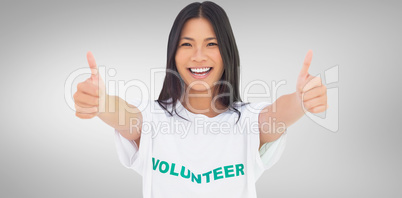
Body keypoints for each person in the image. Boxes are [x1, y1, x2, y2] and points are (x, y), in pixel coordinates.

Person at [73, 1, 327, 198]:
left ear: (227, 52)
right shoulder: (152, 119)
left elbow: (276, 114)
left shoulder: (247, 122)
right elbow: (126, 117)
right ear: (173, 53)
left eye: (211, 44)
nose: (198, 56)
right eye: (186, 44)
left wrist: (301, 99)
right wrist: (100, 103)